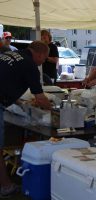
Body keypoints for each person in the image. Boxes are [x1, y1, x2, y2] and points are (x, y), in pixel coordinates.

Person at [0, 41, 52, 198]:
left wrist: (20, 102)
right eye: (44, 59)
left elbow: (5, 83)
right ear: (40, 54)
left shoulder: (10, 55)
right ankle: (6, 187)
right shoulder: (30, 65)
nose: (43, 62)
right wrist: (56, 111)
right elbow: (41, 98)